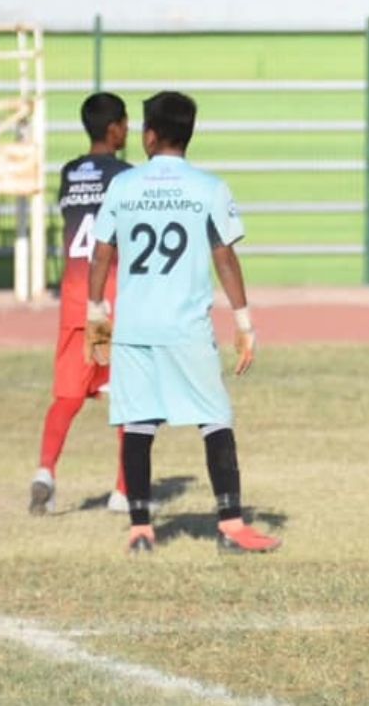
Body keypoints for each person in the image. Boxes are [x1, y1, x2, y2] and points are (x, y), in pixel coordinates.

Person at [86, 91, 280, 555]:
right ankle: (231, 525)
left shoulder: (123, 186)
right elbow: (225, 257)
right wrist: (244, 323)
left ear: (150, 136)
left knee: (137, 424)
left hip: (135, 328)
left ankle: (140, 531)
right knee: (215, 420)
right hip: (186, 328)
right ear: (188, 135)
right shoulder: (209, 187)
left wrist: (97, 319)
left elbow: (102, 253)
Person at [30, 93, 132, 516]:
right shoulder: (126, 176)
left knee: (67, 396)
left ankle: (45, 472)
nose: (128, 130)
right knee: (128, 397)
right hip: (113, 302)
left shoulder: (70, 173)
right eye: (125, 124)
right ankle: (123, 491)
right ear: (114, 129)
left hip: (76, 302)